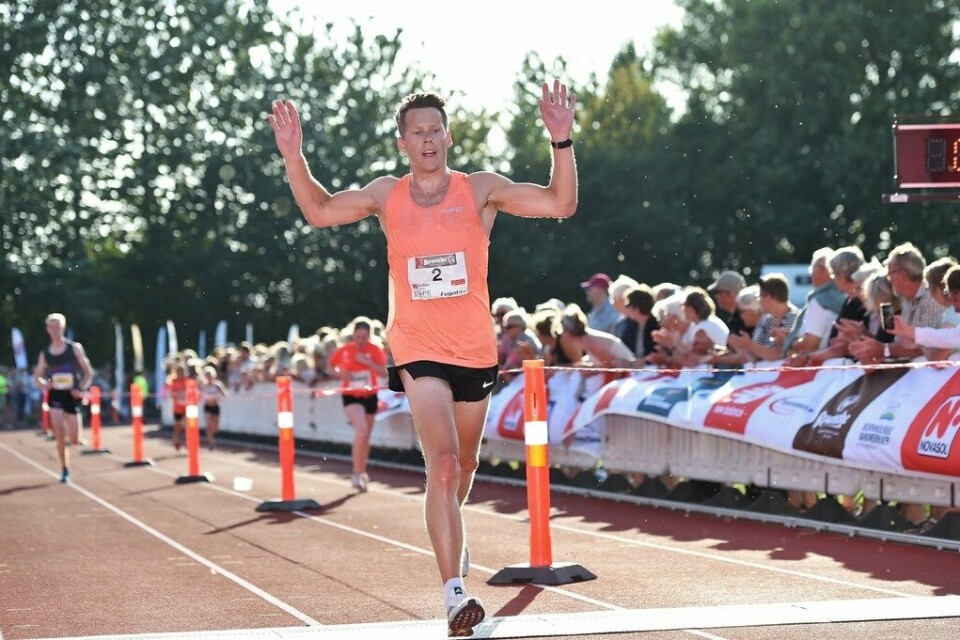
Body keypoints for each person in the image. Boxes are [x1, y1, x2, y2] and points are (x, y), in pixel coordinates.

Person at [268, 80, 578, 636]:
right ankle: (455, 594)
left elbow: (561, 203)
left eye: (436, 130)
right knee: (443, 463)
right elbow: (318, 211)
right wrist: (294, 155)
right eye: (418, 132)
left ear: (448, 137)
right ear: (402, 143)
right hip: (417, 347)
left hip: (474, 349)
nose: (428, 139)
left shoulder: (480, 190)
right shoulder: (386, 195)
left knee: (465, 467)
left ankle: (450, 530)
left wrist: (561, 141)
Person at [327, 318, 389, 492]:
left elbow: (383, 372)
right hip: (351, 396)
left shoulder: (375, 349)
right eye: (358, 337)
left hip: (370, 395)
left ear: (369, 336)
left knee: (366, 436)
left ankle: (361, 471)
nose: (361, 341)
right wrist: (341, 374)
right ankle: (355, 473)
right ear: (353, 335)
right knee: (361, 430)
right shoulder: (345, 350)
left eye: (364, 337)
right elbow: (330, 367)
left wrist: (368, 362)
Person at [32, 313, 94, 483]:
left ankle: (73, 436)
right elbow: (37, 377)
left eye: (57, 326)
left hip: (72, 395)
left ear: (63, 327)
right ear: (48, 329)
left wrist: (80, 388)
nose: (55, 330)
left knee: (74, 440)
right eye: (52, 327)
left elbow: (88, 373)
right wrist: (45, 385)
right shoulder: (45, 353)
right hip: (55, 396)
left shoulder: (74, 348)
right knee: (59, 434)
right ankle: (64, 469)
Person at [708, 270, 748, 335]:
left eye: (717, 292)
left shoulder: (746, 320)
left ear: (729, 294)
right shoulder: (737, 319)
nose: (716, 296)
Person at [200, 365, 228, 450]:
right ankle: (211, 442)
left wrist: (219, 397)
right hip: (207, 407)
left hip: (216, 407)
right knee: (209, 424)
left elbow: (224, 394)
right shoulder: (203, 387)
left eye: (210, 375)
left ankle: (213, 436)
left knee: (215, 426)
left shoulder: (217, 385)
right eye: (207, 375)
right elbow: (198, 395)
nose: (209, 377)